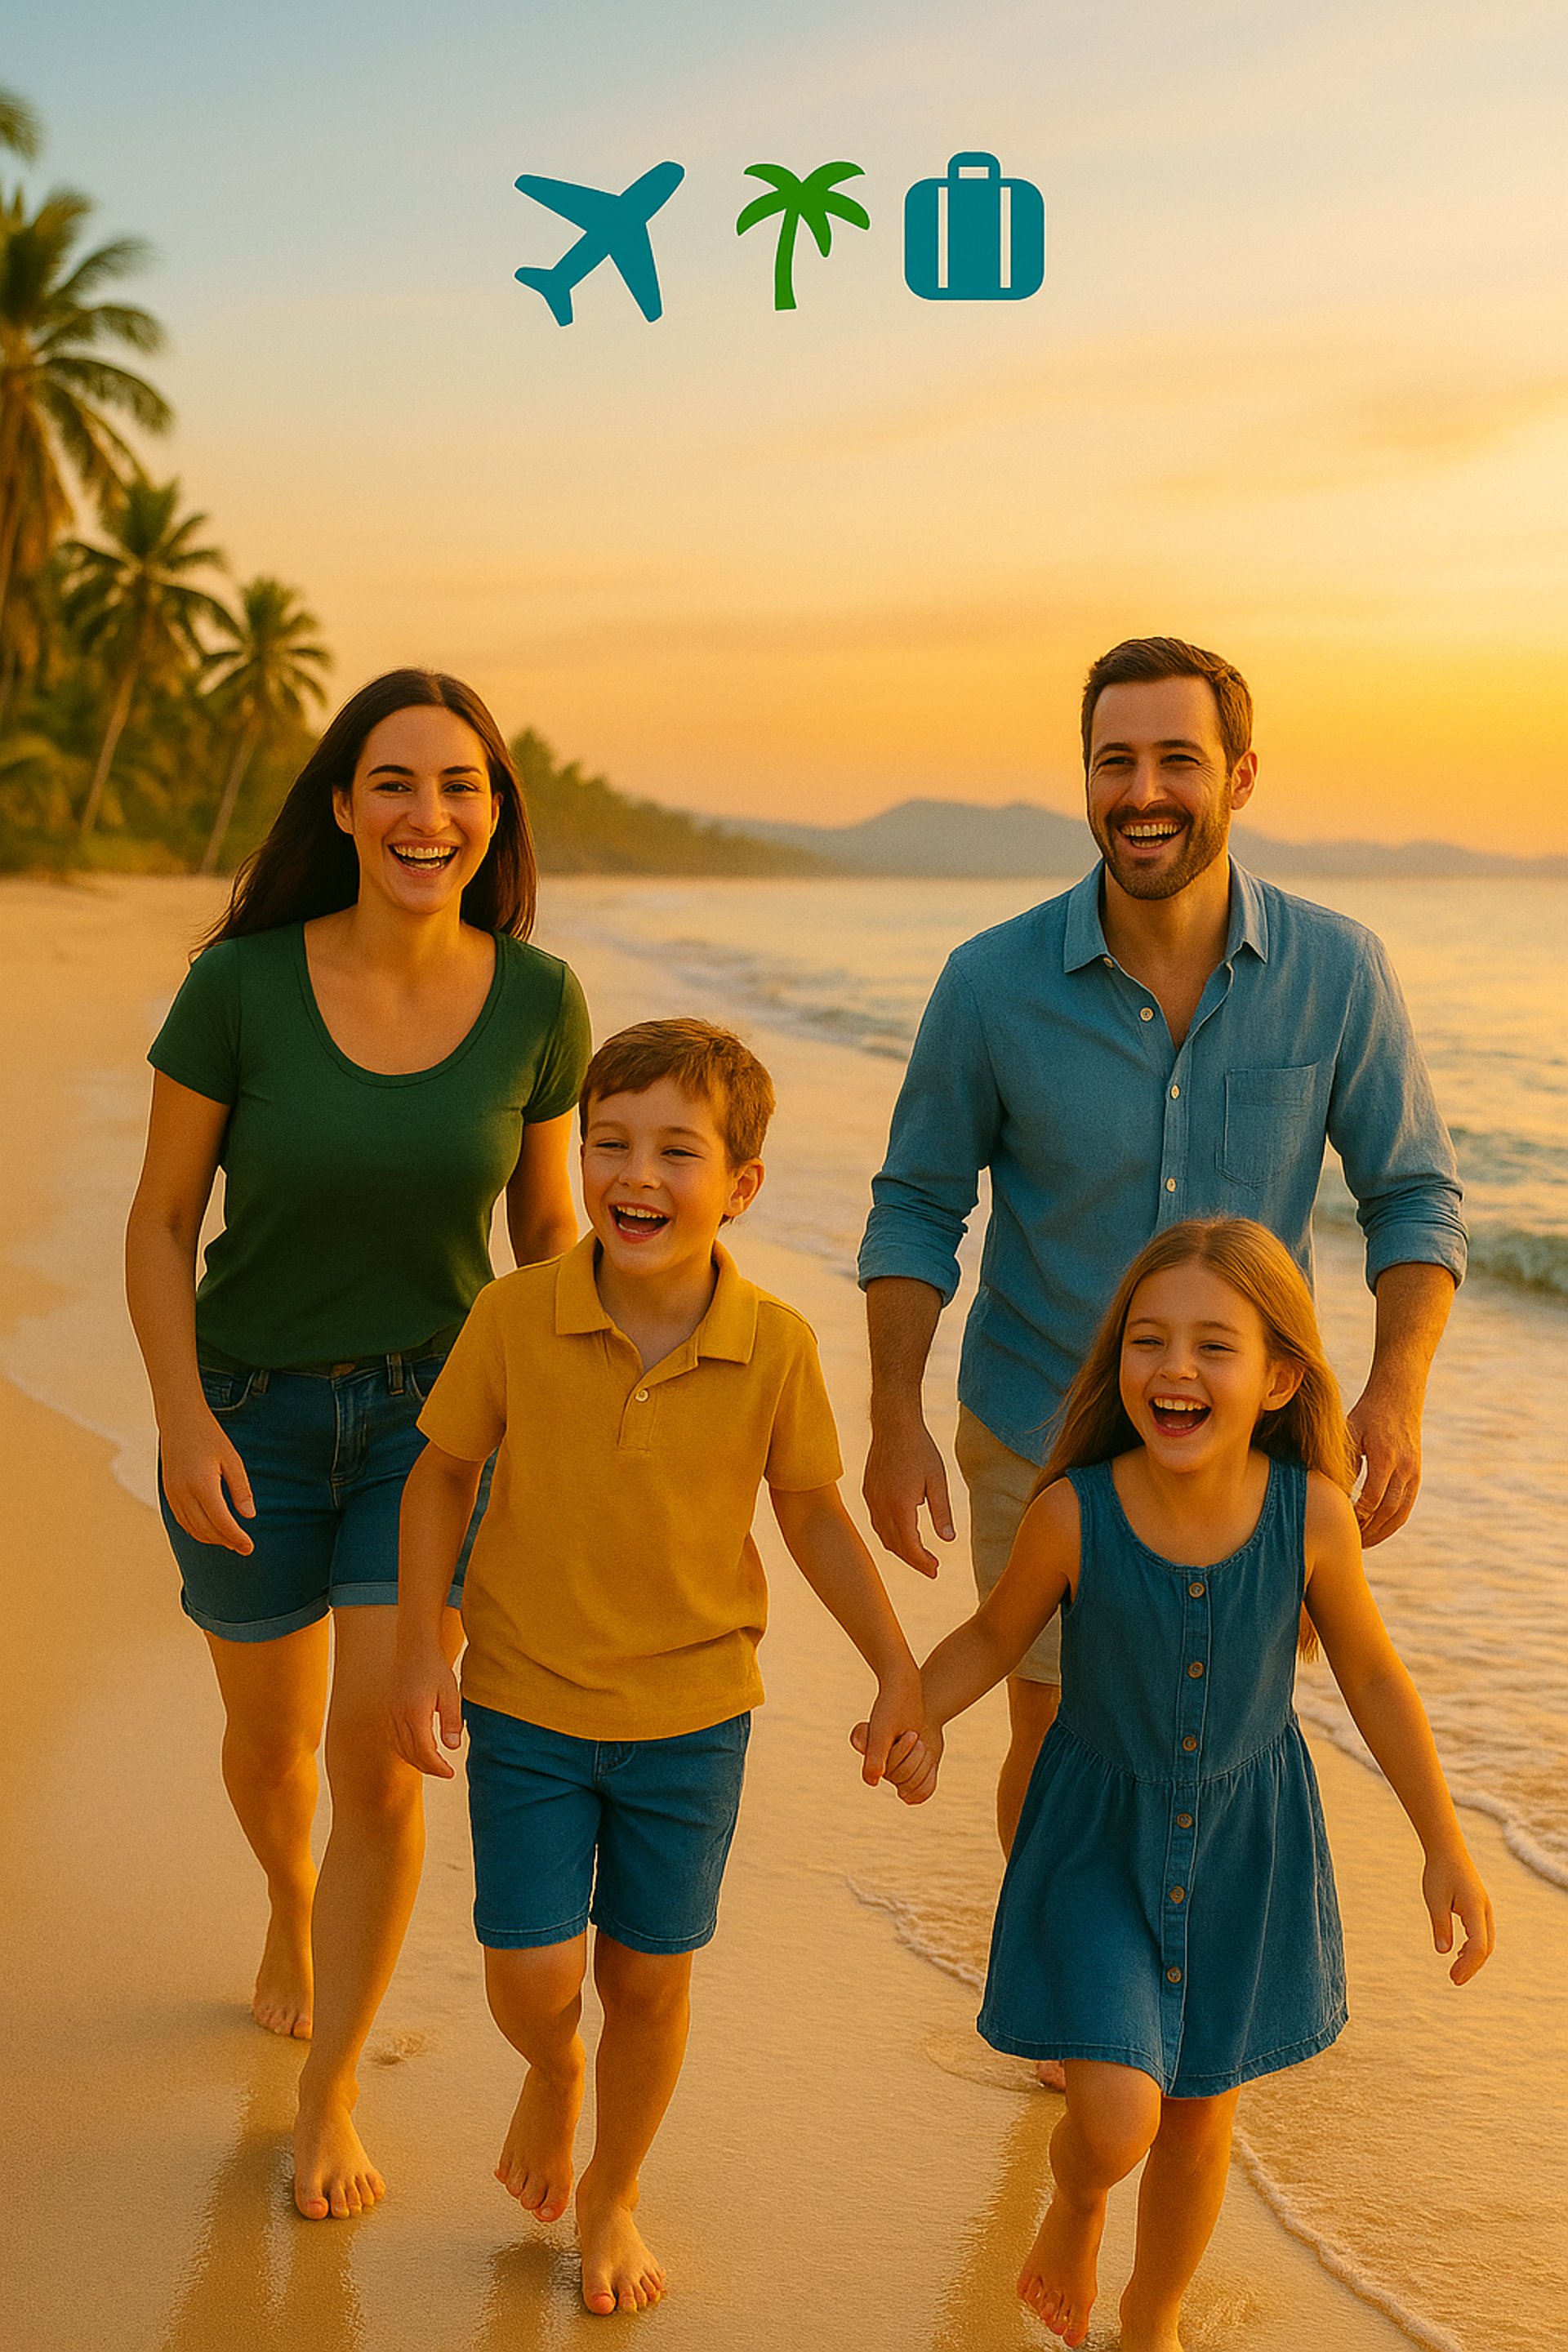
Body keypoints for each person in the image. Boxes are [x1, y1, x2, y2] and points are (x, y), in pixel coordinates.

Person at [858, 635, 1467, 2082]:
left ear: (1239, 776)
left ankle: (1178, 2000)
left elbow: (1416, 1193)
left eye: (1175, 759)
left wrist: (1396, 1385)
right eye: (1115, 761)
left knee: (1218, 1736)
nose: (1144, 792)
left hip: (1255, 1453)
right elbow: (917, 1201)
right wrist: (890, 1410)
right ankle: (1088, 2005)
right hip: (1039, 1426)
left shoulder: (1337, 972)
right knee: (1065, 1735)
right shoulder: (991, 983)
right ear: (1086, 780)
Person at [125, 669, 590, 2221]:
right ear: (344, 805)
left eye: (461, 789)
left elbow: (547, 1233)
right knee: (272, 1755)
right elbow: (161, 1222)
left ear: (491, 820)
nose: (428, 816)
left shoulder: (537, 999)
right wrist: (182, 1419)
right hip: (248, 1412)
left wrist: (574, 1421)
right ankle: (286, 1901)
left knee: (385, 1765)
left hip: (432, 1422)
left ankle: (328, 2097)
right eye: (396, 783)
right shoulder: (242, 987)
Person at [866, 1218, 1493, 2350]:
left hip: (1247, 1853)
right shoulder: (1074, 1513)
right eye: (1148, 1341)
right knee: (1114, 2118)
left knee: (1201, 2118)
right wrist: (914, 1707)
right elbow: (991, 1638)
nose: (1175, 1368)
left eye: (1214, 1345)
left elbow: (1374, 1677)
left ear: (1279, 1377)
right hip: (1099, 1845)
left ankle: (1151, 2322)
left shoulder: (1310, 1514)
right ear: (1119, 1366)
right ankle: (1081, 2197)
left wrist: (1443, 1841)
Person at [390, 1018, 925, 2318]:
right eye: (608, 1143)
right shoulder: (516, 1315)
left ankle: (614, 2194)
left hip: (693, 1718)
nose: (635, 1175)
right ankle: (551, 2070)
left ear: (739, 1185)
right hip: (524, 1694)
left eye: (676, 1151)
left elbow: (809, 1517)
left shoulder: (778, 1343)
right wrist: (423, 1643)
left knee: (648, 1976)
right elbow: (441, 1476)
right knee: (533, 1974)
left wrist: (897, 1671)